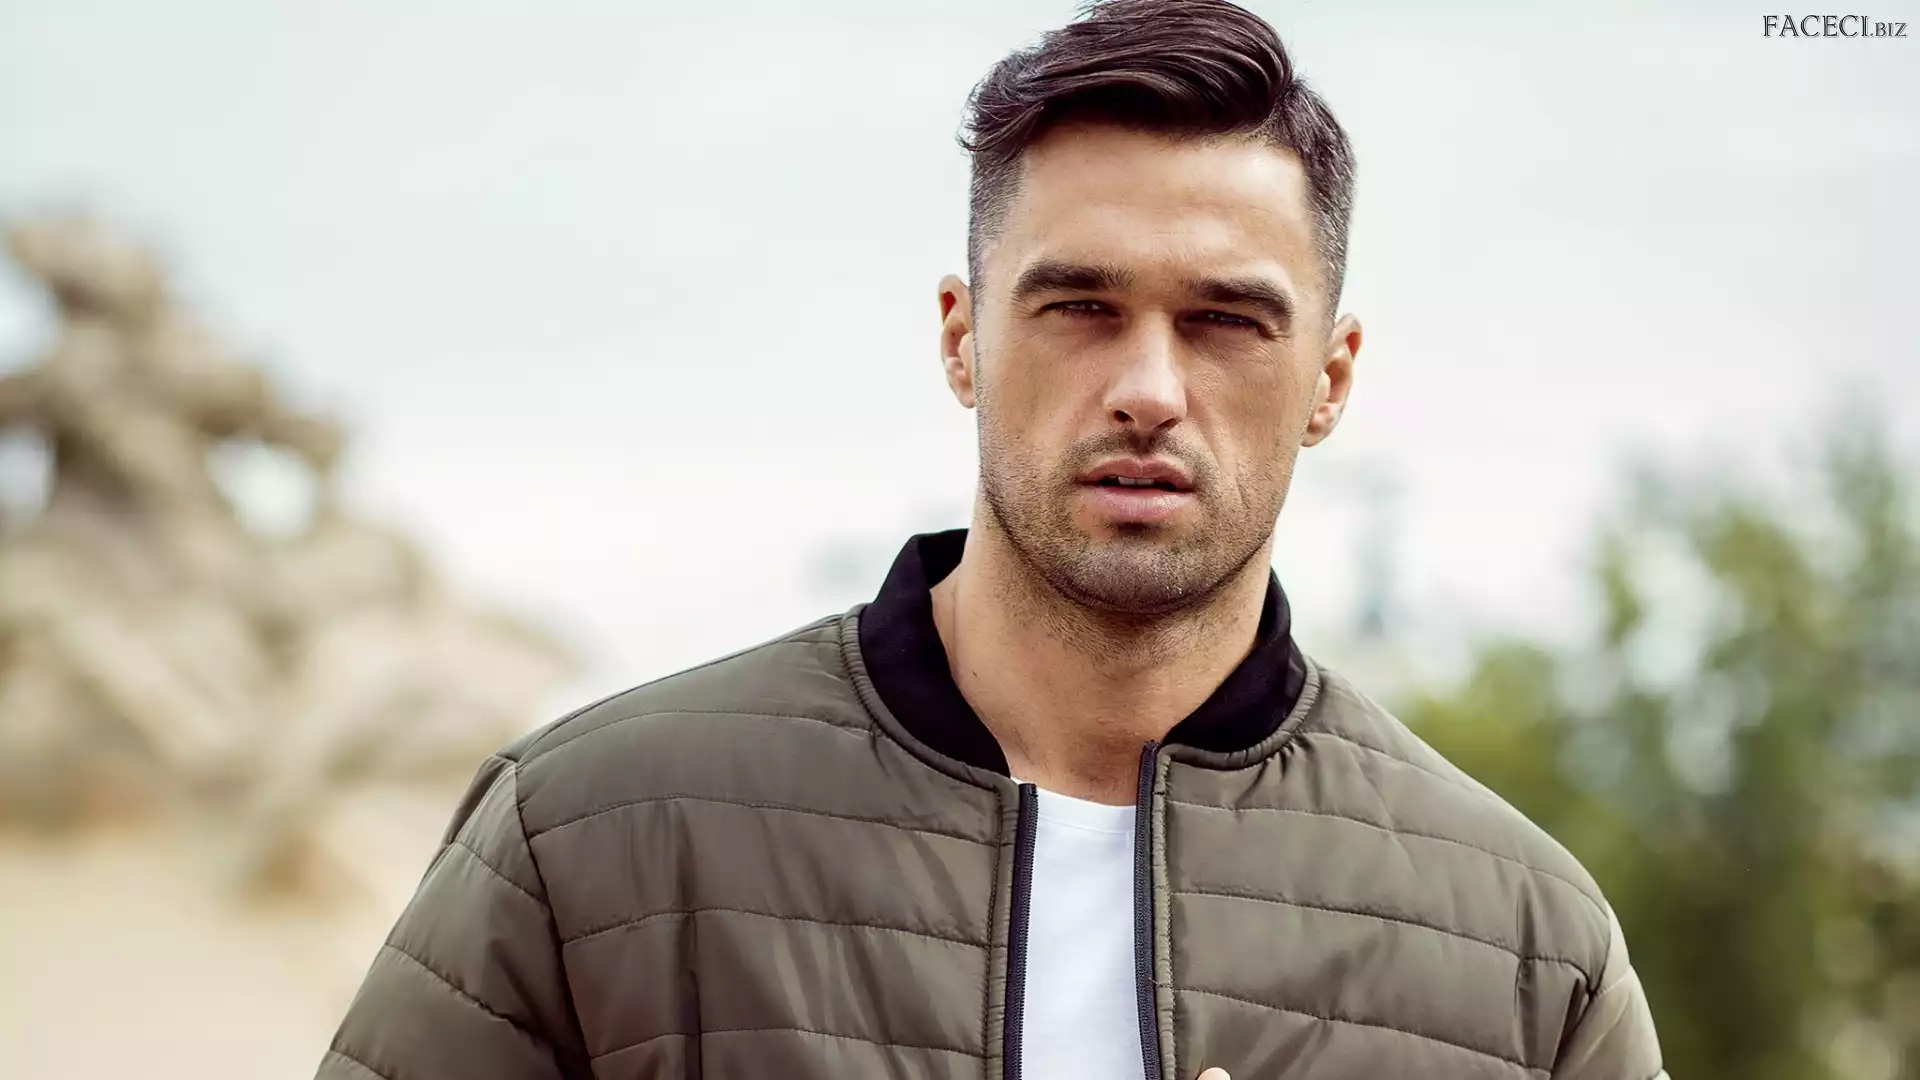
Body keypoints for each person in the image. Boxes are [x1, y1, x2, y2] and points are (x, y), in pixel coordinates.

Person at [316, 2, 1666, 1077]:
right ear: (962, 338)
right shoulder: (593, 837)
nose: (1149, 387)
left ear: (1332, 376)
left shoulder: (1526, 951)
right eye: (1079, 307)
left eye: (1226, 320)